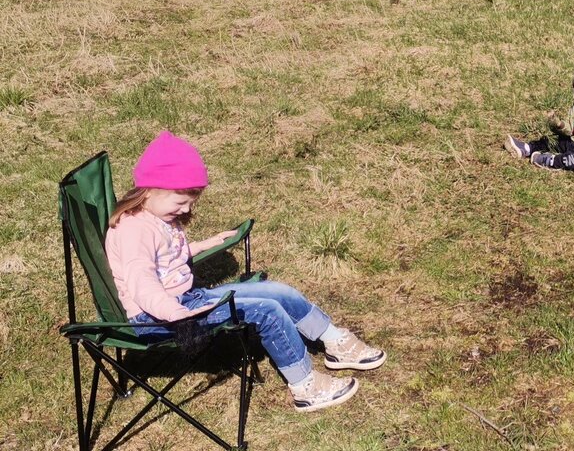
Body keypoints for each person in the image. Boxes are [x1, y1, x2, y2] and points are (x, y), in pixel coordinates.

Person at [105, 131, 386, 412]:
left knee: (276, 291)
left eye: (191, 202)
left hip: (187, 301)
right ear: (150, 189)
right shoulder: (134, 229)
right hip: (160, 318)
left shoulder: (158, 217)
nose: (186, 209)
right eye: (181, 203)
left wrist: (203, 245)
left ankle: (333, 340)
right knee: (267, 311)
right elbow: (142, 281)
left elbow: (166, 259)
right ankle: (306, 387)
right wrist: (177, 314)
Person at [506, 64, 574, 171]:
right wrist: (560, 125)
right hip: (573, 142)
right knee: (553, 140)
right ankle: (527, 148)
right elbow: (569, 130)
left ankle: (551, 161)